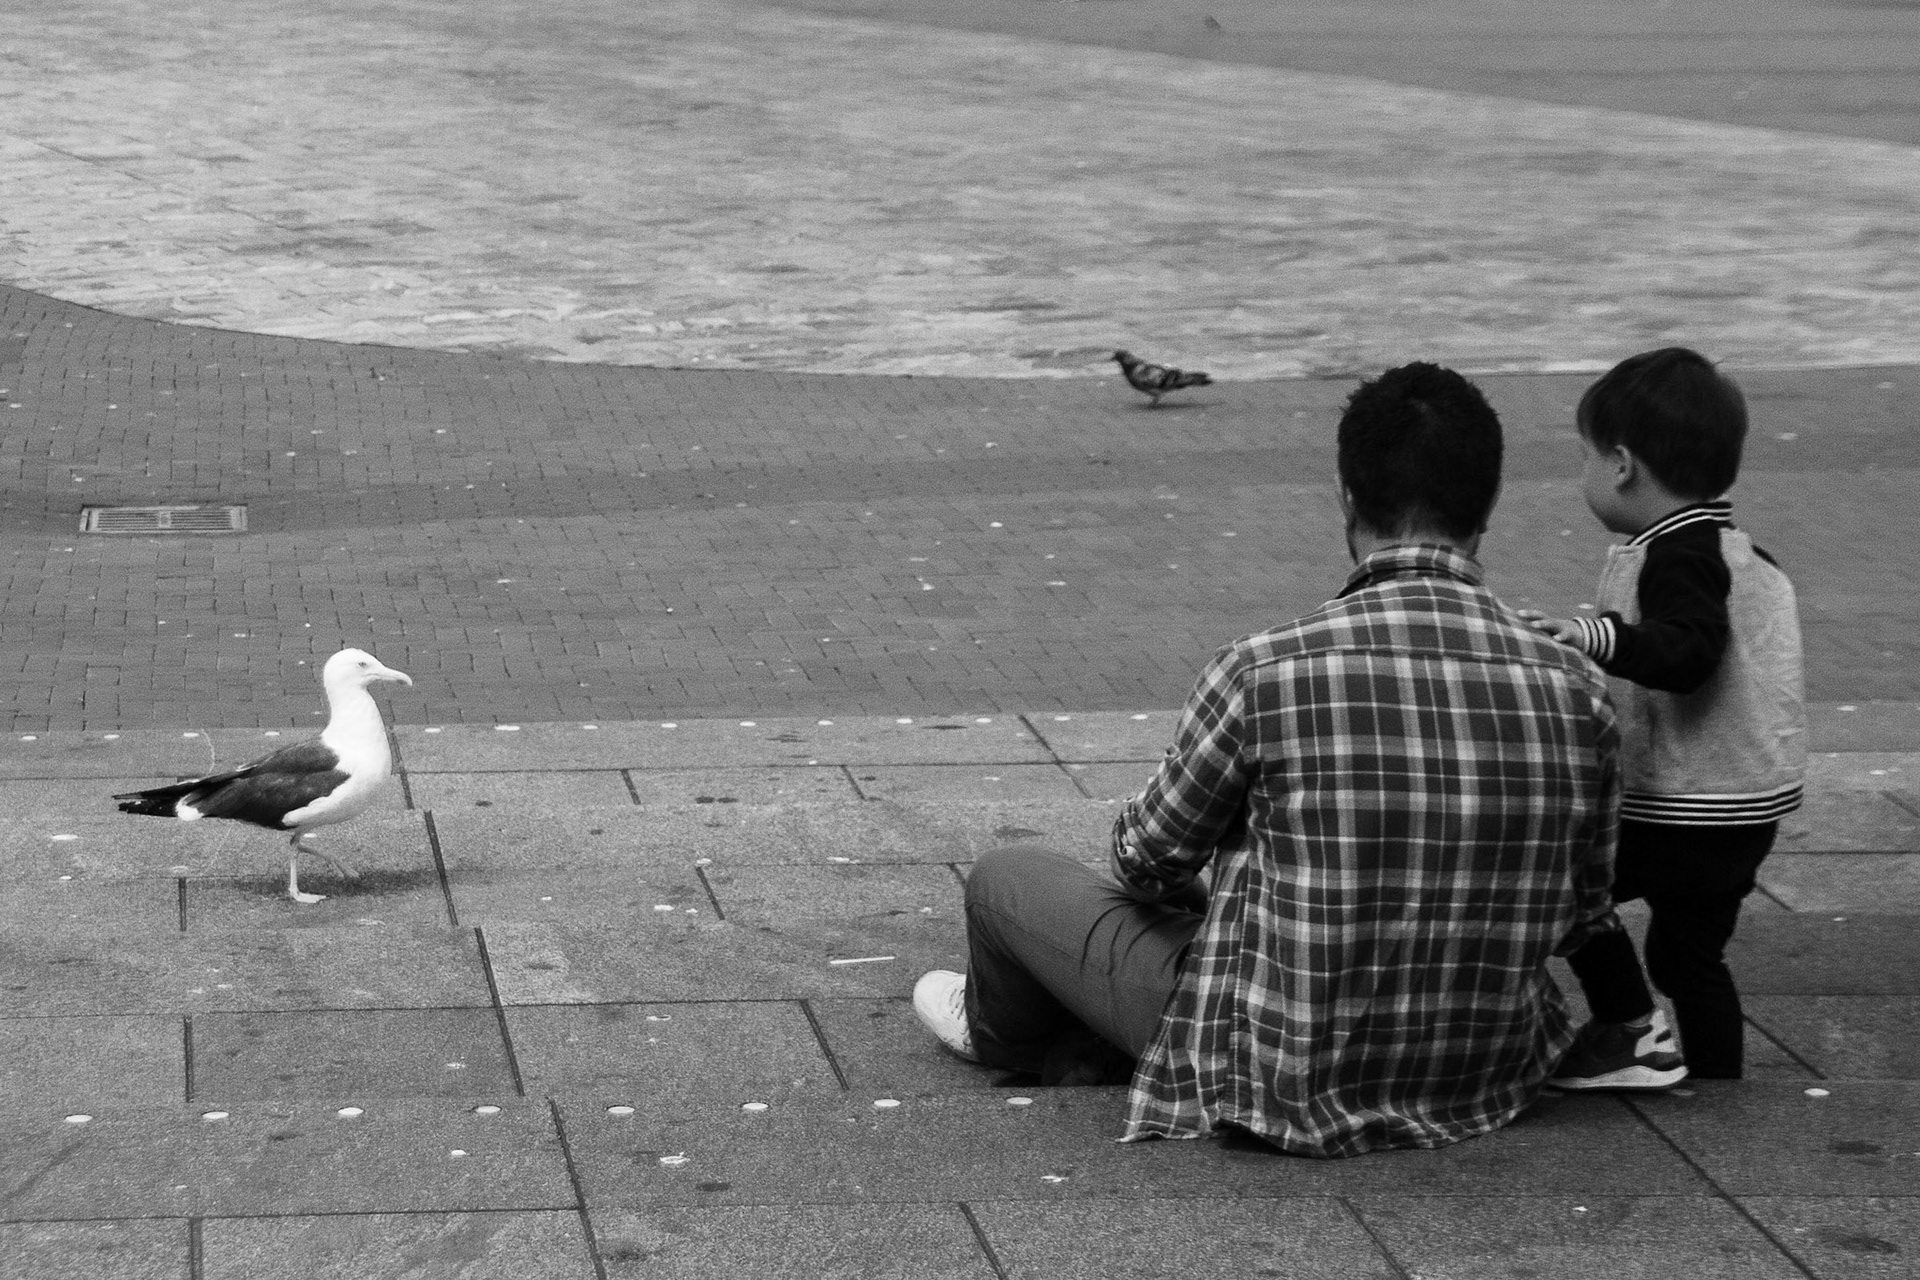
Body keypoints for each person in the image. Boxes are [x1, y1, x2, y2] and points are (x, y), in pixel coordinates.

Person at [913, 362, 1625, 1157]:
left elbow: (1144, 861)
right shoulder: (1578, 687)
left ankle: (1005, 1032)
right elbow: (1585, 909)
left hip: (1276, 1065)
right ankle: (1084, 1029)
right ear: (1487, 505)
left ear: (1347, 497)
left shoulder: (1265, 669)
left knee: (1006, 879)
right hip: (1481, 1067)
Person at [1522, 347, 1805, 1083]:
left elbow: (1689, 653)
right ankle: (1716, 1082)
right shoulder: (1742, 555)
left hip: (1685, 812)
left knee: (1563, 891)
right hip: (1744, 812)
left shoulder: (1681, 555)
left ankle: (1631, 1031)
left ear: (1621, 465)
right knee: (1687, 957)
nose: (1583, 473)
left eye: (1585, 456)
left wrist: (1595, 636)